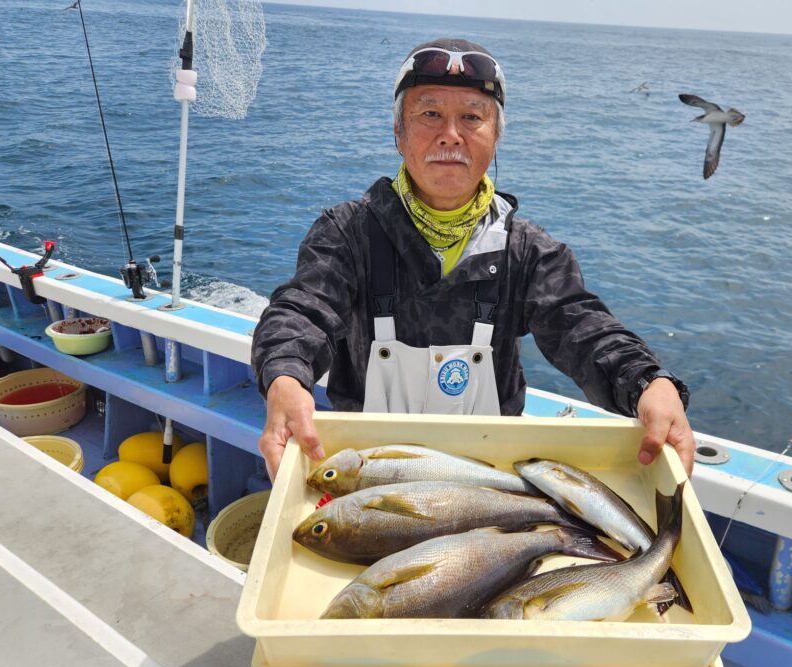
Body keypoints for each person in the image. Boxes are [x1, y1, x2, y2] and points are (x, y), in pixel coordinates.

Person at [251, 38, 694, 484]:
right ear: (398, 133)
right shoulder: (347, 234)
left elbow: (582, 327)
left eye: (471, 117)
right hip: (365, 476)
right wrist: (286, 376)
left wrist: (649, 383)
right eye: (429, 114)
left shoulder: (529, 252)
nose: (450, 134)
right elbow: (303, 310)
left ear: (495, 136)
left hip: (489, 481)